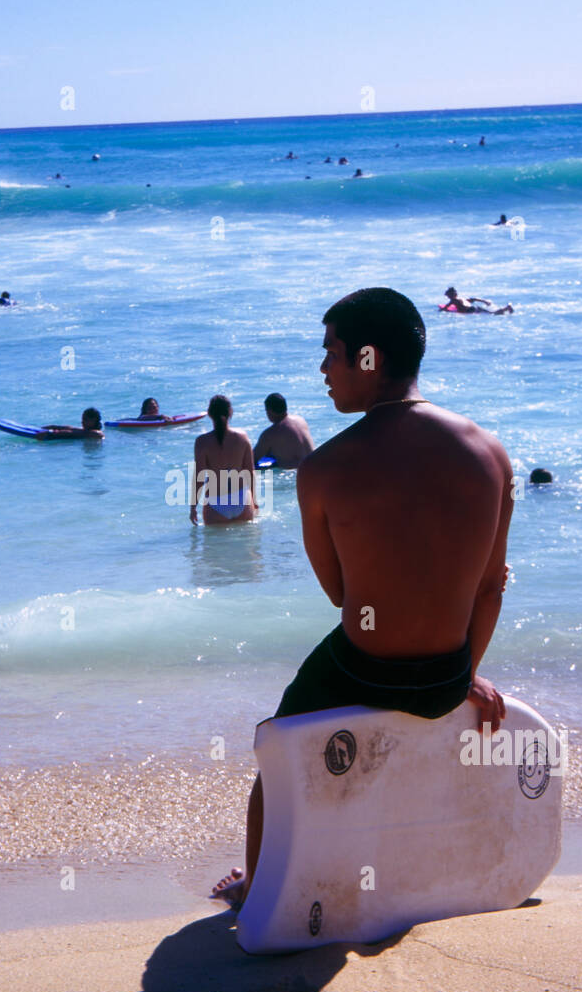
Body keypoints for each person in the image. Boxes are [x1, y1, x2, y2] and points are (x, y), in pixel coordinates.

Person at [211, 288, 512, 907]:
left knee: (277, 748)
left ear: (367, 358)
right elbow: (489, 585)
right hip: (447, 677)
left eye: (332, 353)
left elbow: (340, 595)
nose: (323, 369)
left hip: (362, 672)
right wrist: (464, 674)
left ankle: (255, 886)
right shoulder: (490, 453)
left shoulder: (324, 470)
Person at [192, 396, 257, 527]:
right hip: (242, 500)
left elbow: (199, 477)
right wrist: (254, 500)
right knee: (245, 546)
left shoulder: (202, 442)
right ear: (230, 412)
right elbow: (250, 472)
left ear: (209, 414)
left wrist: (193, 507)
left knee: (216, 547)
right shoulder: (242, 437)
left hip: (215, 504)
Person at [253, 393, 315, 468]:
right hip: (314, 466)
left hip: (295, 473)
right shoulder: (301, 420)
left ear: (269, 411)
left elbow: (251, 460)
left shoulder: (270, 434)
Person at [443, 286, 513, 315]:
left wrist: (442, 310)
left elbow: (445, 308)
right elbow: (474, 299)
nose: (447, 297)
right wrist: (484, 301)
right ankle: (506, 308)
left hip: (470, 310)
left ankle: (506, 308)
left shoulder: (453, 300)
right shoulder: (462, 298)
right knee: (492, 313)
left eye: (448, 295)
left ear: (451, 295)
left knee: (492, 314)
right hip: (475, 307)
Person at [39, 408, 103, 439]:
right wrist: (52, 427)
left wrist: (51, 433)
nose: (82, 422)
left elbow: (72, 433)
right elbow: (69, 428)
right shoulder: (86, 431)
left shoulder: (97, 434)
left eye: (85, 420)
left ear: (93, 420)